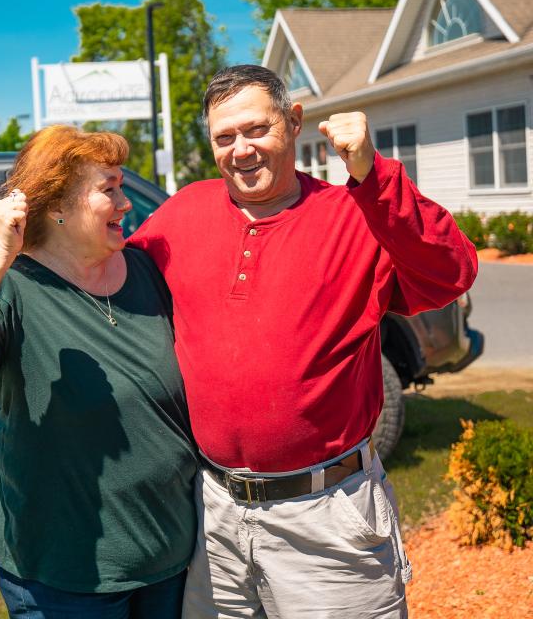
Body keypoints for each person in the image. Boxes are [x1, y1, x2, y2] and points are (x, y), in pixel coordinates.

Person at [128, 65, 478, 619]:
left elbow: (450, 272)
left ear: (293, 123)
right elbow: (107, 282)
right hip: (214, 515)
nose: (240, 150)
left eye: (255, 130)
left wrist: (371, 174)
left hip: (327, 516)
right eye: (224, 137)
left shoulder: (356, 214)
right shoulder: (183, 213)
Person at [0, 125, 197, 619]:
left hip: (166, 554)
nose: (126, 204)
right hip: (64, 572)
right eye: (109, 189)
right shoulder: (15, 286)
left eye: (123, 187)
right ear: (58, 205)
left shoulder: (144, 273)